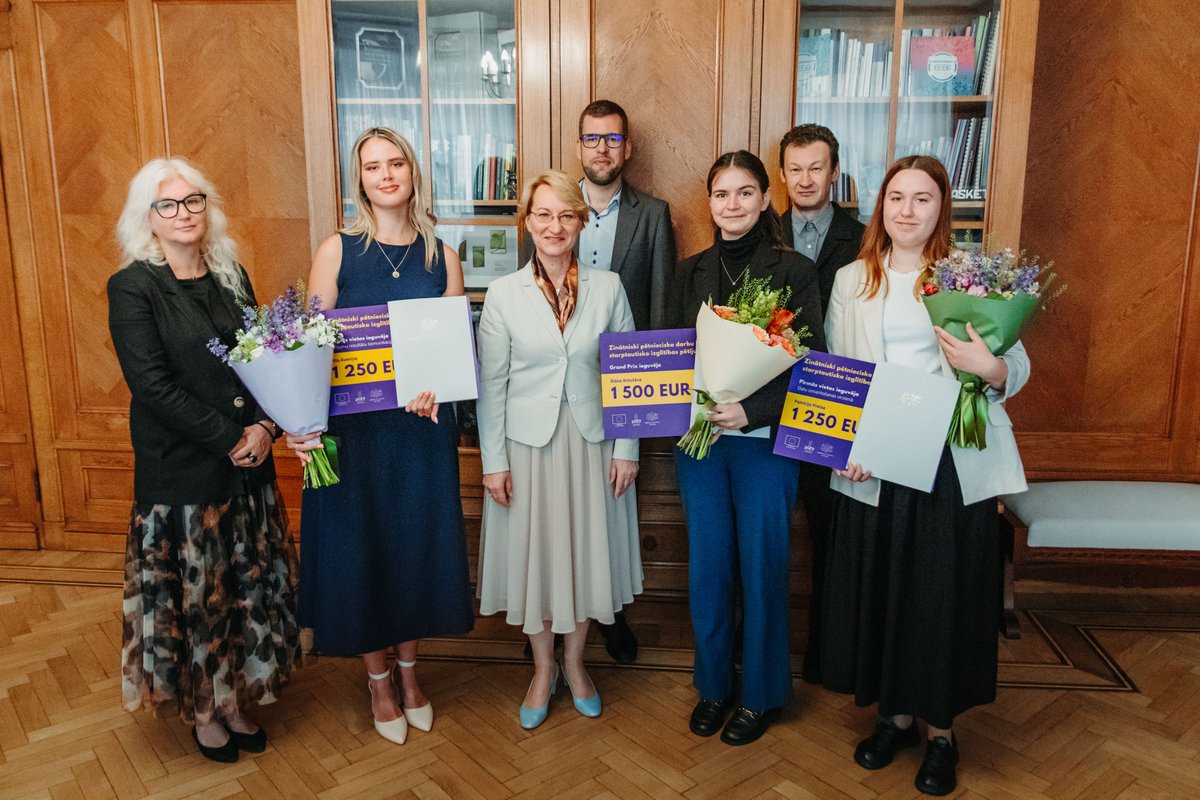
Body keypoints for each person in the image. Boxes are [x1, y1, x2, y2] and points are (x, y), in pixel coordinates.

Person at [821, 155, 1030, 796]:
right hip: (878, 460)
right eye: (896, 198)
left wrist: (987, 366)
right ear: (880, 207)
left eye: (922, 199)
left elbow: (1015, 366)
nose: (907, 211)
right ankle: (894, 716)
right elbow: (839, 376)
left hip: (951, 463)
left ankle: (941, 732)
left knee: (941, 595)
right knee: (886, 586)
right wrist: (841, 446)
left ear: (943, 209)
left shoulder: (967, 276)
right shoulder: (851, 280)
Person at [285, 127, 474, 746]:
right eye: (373, 167)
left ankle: (413, 674)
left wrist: (437, 386)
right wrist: (301, 421)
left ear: (413, 172)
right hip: (354, 434)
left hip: (418, 433)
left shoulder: (442, 256)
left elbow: (451, 353)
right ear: (359, 179)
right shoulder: (336, 250)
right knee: (360, 551)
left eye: (397, 163)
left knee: (414, 549)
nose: (386, 174)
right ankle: (378, 681)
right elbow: (309, 349)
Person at [109, 157, 300, 763]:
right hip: (184, 477)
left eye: (193, 201)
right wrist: (230, 437)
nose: (184, 213)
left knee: (242, 595)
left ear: (207, 207)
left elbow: (264, 359)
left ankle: (236, 698)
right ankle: (204, 711)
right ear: (149, 218)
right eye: (168, 205)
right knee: (199, 602)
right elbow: (152, 385)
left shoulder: (231, 275)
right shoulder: (134, 286)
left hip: (249, 470)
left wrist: (268, 427)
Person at [669, 150, 825, 746]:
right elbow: (671, 351)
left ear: (765, 199)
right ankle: (713, 687)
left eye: (744, 193)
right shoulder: (689, 272)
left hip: (765, 444)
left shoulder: (797, 270)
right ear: (708, 202)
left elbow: (808, 364)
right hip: (700, 442)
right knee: (708, 568)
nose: (731, 205)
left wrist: (752, 410)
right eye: (721, 194)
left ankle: (759, 695)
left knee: (762, 570)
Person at [476, 170, 642, 729]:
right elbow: (491, 387)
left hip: (594, 447)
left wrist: (628, 448)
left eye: (566, 215)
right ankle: (543, 669)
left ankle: (577, 665)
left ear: (581, 222)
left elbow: (631, 379)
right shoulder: (502, 294)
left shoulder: (610, 287)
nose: (555, 226)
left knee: (583, 558)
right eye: (543, 215)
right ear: (528, 223)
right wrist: (492, 462)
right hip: (527, 450)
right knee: (540, 563)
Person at [519, 98, 675, 663]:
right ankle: (554, 637)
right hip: (548, 397)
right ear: (579, 146)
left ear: (626, 148)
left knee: (606, 513)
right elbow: (525, 293)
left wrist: (647, 410)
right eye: (592, 138)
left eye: (613, 138)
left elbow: (658, 311)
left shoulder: (653, 213)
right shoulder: (551, 207)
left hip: (621, 387)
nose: (602, 147)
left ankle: (612, 615)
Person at [777, 123, 867, 683]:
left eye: (817, 168)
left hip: (836, 406)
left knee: (834, 535)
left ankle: (828, 655)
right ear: (781, 176)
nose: (806, 179)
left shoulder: (864, 240)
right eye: (795, 169)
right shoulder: (761, 232)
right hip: (766, 408)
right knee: (770, 536)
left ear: (835, 172)